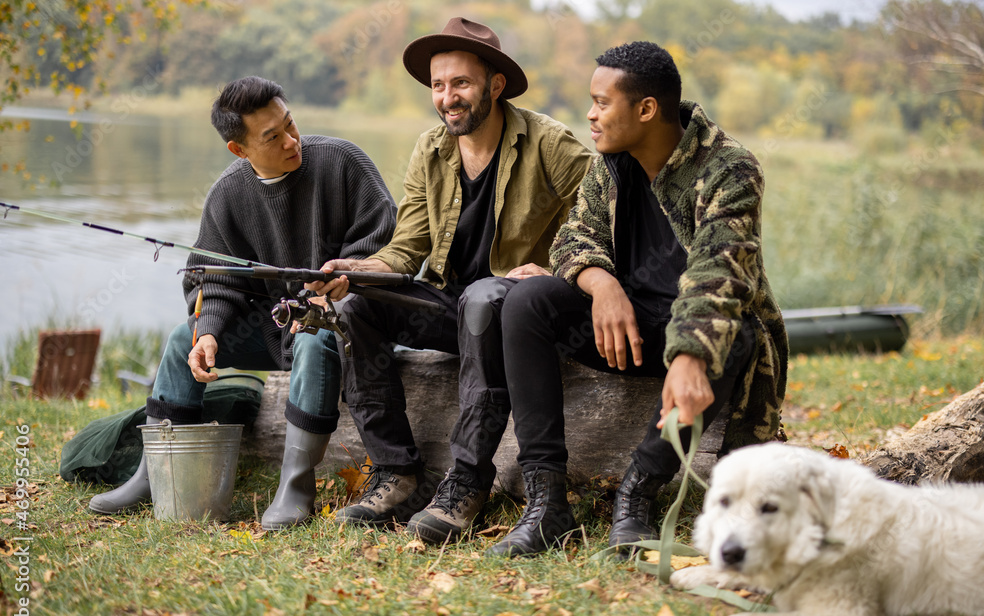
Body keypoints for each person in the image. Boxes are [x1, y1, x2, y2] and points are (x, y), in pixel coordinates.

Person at [487, 41, 788, 557]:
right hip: (623, 332)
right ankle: (546, 504)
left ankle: (637, 497)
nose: (590, 114)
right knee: (525, 300)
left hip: (695, 336)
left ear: (645, 109)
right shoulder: (611, 161)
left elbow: (720, 273)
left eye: (602, 102)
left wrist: (690, 354)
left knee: (735, 335)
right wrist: (602, 285)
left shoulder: (729, 169)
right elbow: (572, 239)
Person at [309, 18, 593, 544]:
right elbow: (406, 249)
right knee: (356, 308)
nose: (447, 98)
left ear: (495, 85)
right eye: (438, 86)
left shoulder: (550, 142)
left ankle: (467, 481)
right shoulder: (431, 149)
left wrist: (559, 270)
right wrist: (355, 272)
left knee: (485, 297)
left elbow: (609, 219)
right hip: (455, 308)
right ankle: (397, 473)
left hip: (519, 315)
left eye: (460, 83)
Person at [87, 76, 398, 531]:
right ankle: (153, 475)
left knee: (314, 337)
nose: (292, 140)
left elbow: (387, 241)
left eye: (290, 124)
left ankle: (295, 487)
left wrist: (336, 286)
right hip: (273, 329)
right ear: (240, 149)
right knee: (182, 338)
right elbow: (212, 277)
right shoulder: (228, 194)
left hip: (344, 324)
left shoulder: (343, 162)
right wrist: (208, 330)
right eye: (273, 137)